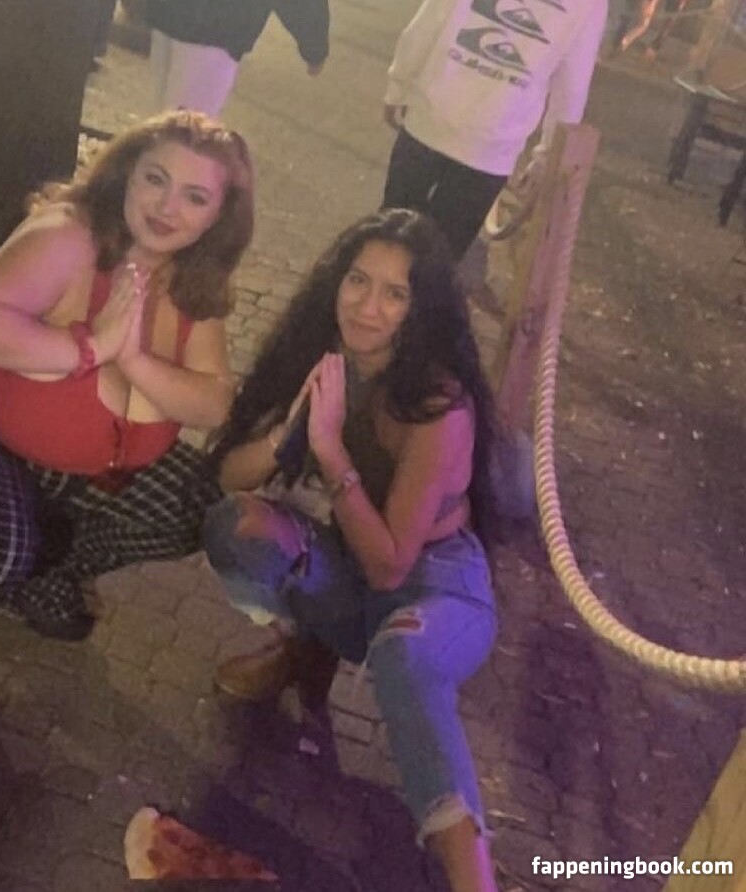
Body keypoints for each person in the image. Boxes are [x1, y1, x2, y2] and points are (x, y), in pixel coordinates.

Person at [0, 110, 255, 671]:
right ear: (127, 172)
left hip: (73, 470)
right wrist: (90, 348)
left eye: (195, 197)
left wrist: (133, 359)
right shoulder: (70, 235)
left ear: (220, 215)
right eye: (156, 179)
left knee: (200, 509)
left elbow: (214, 402)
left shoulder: (192, 279)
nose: (167, 207)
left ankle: (42, 570)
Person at [202, 210, 501, 892]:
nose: (368, 306)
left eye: (395, 293)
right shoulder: (321, 359)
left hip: (437, 586)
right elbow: (227, 476)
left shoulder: (439, 404)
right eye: (358, 281)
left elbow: (390, 565)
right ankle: (301, 650)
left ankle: (473, 875)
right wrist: (290, 432)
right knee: (236, 530)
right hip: (351, 570)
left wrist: (331, 451)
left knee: (402, 657)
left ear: (419, 309)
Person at [381, 0, 608, 259]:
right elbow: (572, 88)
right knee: (442, 257)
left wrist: (399, 85)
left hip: (429, 120)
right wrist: (546, 159)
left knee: (389, 238)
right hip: (491, 150)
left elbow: (429, 21)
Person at [145, 0, 329, 118]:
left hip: (171, 13)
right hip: (216, 26)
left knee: (165, 121)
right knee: (186, 134)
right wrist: (314, 45)